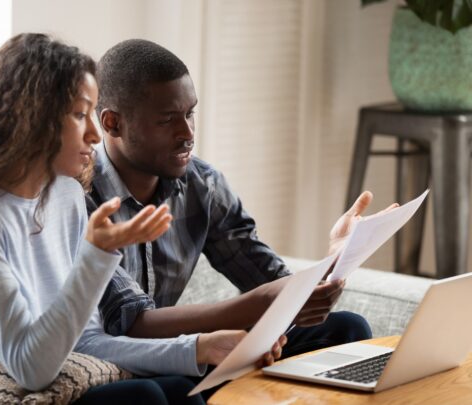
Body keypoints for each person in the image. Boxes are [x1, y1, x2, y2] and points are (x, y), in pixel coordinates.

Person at [0, 33, 207, 405]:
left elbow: (85, 342)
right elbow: (30, 367)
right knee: (142, 397)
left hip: (22, 377)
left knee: (182, 387)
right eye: (81, 115)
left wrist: (198, 348)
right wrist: (96, 254)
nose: (95, 134)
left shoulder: (63, 196)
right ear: (33, 117)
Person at [74, 39, 379, 391]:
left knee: (347, 328)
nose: (187, 134)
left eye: (190, 113)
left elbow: (269, 280)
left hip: (191, 352)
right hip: (126, 362)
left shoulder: (202, 185)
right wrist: (259, 307)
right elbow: (130, 323)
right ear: (112, 123)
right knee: (164, 387)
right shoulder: (79, 197)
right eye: (167, 120)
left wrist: (336, 258)